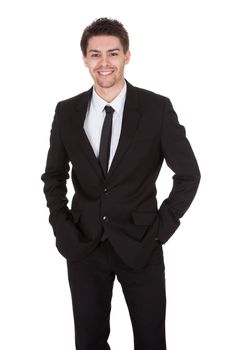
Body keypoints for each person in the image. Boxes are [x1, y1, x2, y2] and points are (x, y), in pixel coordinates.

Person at [41, 17, 201, 350]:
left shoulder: (156, 109)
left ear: (127, 56)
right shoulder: (67, 112)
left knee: (151, 341)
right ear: (85, 59)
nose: (104, 63)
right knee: (89, 342)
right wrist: (62, 227)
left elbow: (188, 175)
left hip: (141, 243)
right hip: (84, 245)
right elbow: (54, 177)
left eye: (113, 53)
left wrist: (161, 229)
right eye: (95, 54)